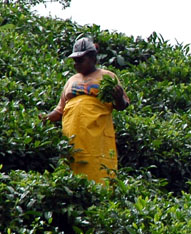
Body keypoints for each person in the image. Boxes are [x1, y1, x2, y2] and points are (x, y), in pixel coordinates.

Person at [40, 36, 130, 184]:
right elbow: (60, 110)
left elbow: (122, 105)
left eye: (81, 60)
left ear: (93, 58)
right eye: (75, 61)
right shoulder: (72, 80)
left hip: (97, 133)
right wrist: (45, 118)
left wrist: (119, 97)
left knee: (97, 168)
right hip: (72, 132)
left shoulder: (107, 76)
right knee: (73, 166)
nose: (77, 64)